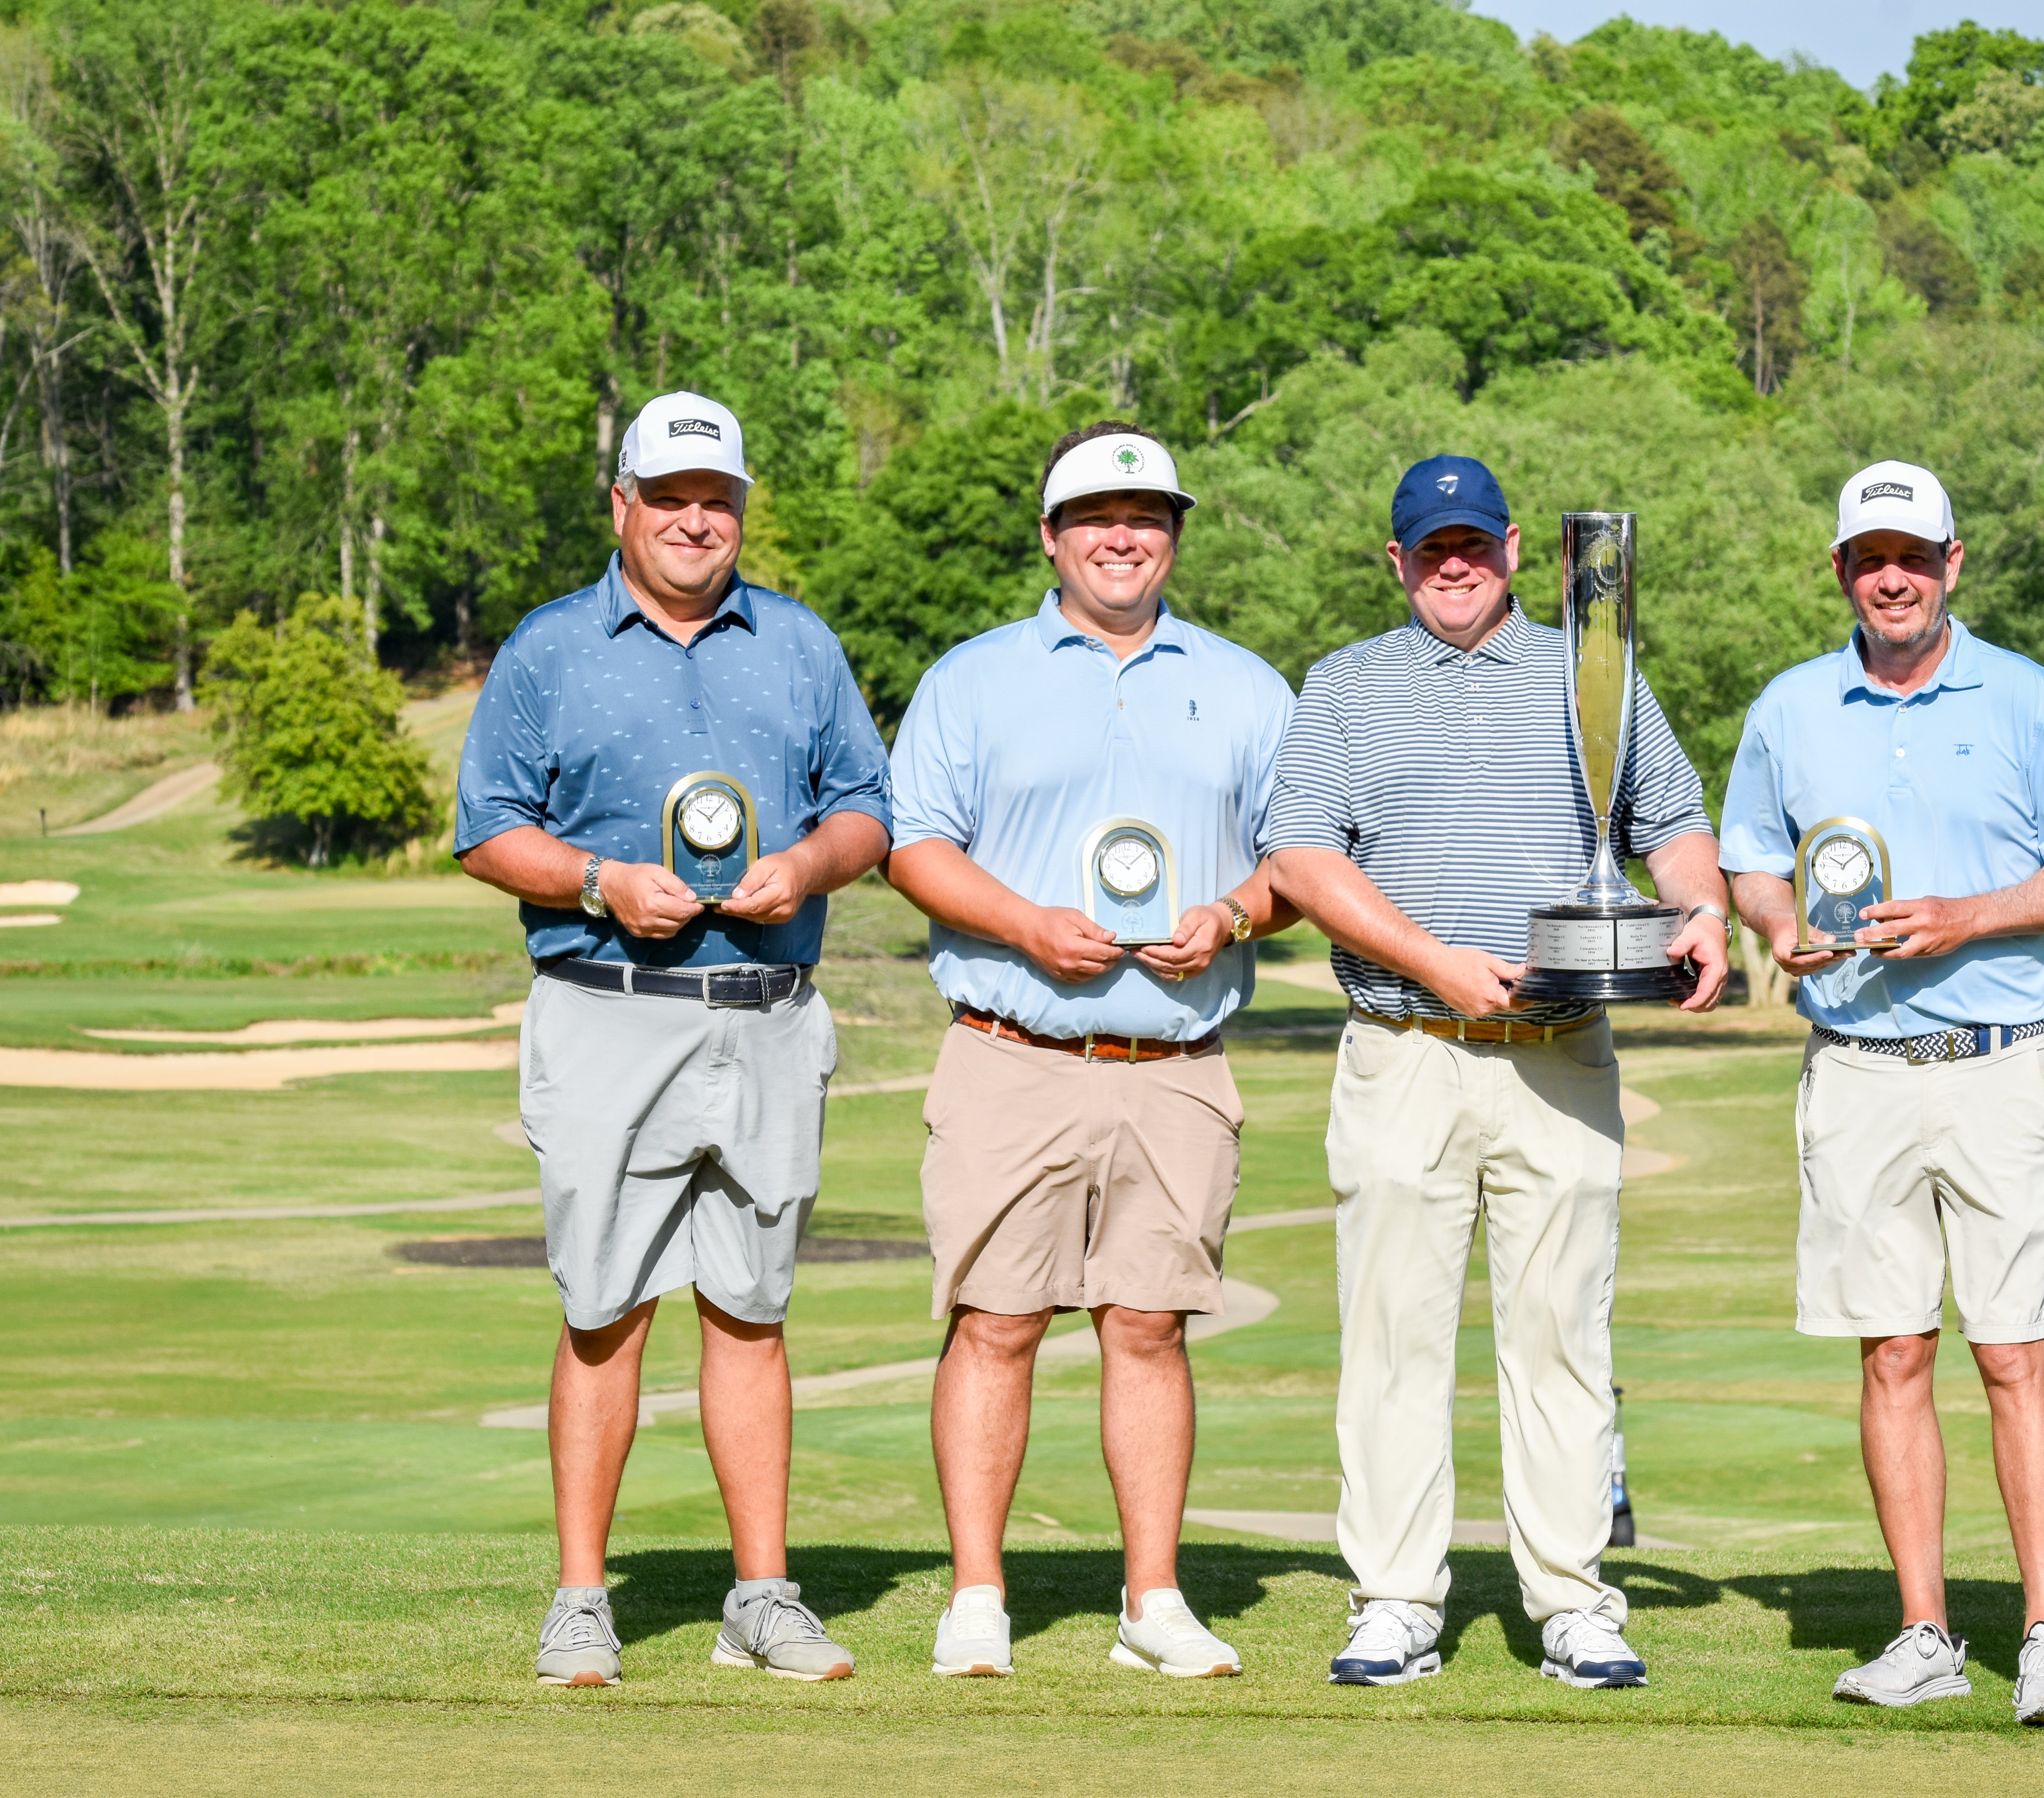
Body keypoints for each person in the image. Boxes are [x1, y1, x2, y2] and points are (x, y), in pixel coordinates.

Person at [1263, 456, 1730, 1690]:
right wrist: (1434, 961)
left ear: (1518, 549)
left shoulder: (1597, 668)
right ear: (1397, 559)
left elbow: (1673, 824)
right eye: (1430, 546)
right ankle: (1395, 1601)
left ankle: (1574, 1603)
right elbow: (1304, 861)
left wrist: (1703, 910)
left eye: (1473, 542)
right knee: (1392, 1341)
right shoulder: (1346, 687)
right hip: (1405, 1047)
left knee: (1560, 1337)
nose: (1453, 563)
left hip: (1563, 1055)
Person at [455, 392, 891, 1689]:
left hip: (765, 1015)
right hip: (607, 1009)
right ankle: (583, 1601)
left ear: (741, 509)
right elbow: (488, 828)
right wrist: (598, 883)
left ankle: (762, 1596)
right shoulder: (547, 648)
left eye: (718, 499)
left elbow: (868, 808)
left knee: (751, 1311)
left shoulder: (801, 645)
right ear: (622, 506)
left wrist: (808, 862)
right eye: (670, 496)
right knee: (606, 1314)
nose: (696, 519)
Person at [1720, 459, 2044, 1727]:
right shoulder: (1792, 708)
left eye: (1913, 554)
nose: (1890, 576)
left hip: (1999, 1064)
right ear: (1841, 572)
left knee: (2013, 1353)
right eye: (1866, 557)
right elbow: (1748, 863)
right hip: (1855, 1070)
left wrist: (1967, 919)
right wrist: (1781, 926)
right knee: (1892, 1350)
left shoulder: (2029, 699)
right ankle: (1924, 1632)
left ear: (1955, 563)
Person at [886, 421, 1299, 1681]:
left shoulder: (1244, 685)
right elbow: (916, 846)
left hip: (1173, 1061)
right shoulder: (973, 677)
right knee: (995, 1324)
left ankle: (1153, 1602)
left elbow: (1302, 862)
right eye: (1097, 518)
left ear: (1173, 533)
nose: (1125, 538)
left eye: (1149, 517)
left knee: (1149, 1327)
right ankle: (976, 1599)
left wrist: (1232, 913)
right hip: (1013, 1046)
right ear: (1053, 538)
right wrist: (1025, 925)